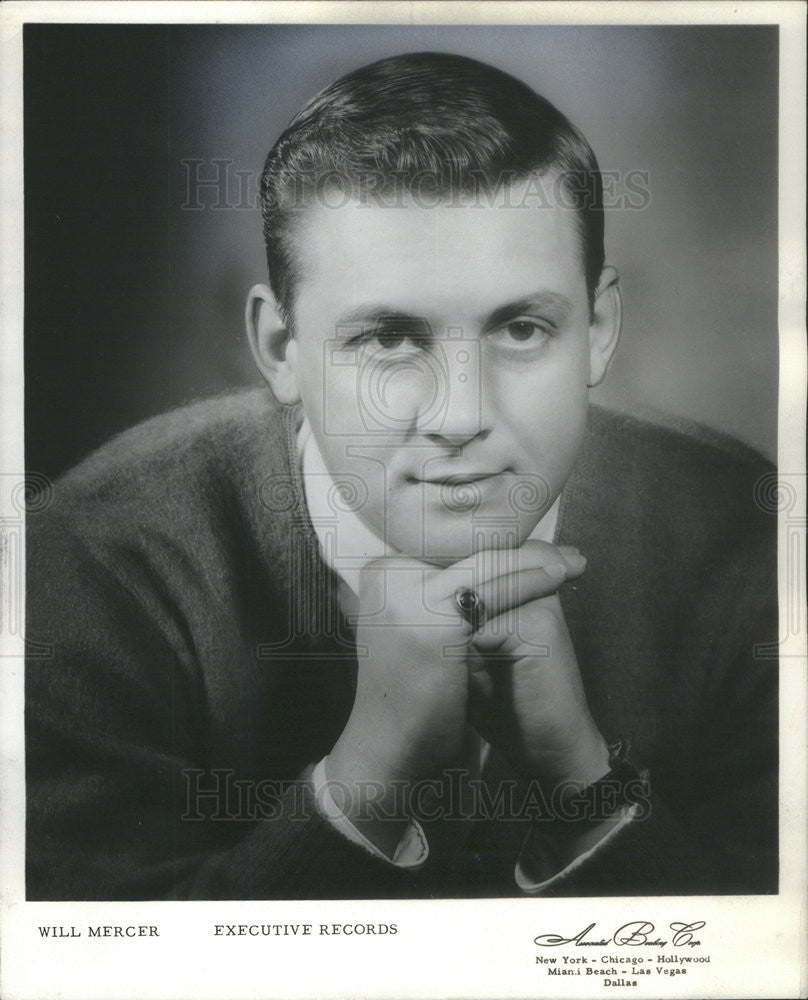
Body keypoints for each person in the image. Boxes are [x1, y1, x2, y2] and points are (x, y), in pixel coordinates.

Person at [25, 52, 777, 900]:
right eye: (389, 340)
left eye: (522, 329)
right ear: (282, 350)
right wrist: (365, 781)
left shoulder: (748, 547)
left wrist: (585, 787)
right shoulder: (84, 568)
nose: (458, 415)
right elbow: (81, 967)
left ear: (599, 327)